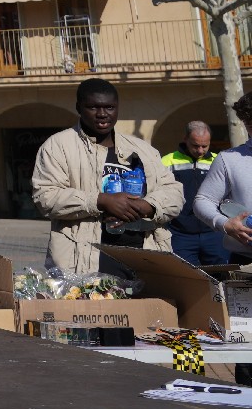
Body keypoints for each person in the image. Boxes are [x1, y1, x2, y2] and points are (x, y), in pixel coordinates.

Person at [31, 78, 181, 278]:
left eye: (109, 107)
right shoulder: (58, 146)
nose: (102, 114)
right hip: (84, 263)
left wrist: (147, 206)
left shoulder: (142, 149)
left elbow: (174, 193)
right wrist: (101, 201)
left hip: (144, 260)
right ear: (78, 108)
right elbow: (45, 197)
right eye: (93, 107)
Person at [194, 96, 252, 257]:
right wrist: (225, 224)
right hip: (245, 260)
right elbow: (203, 200)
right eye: (249, 124)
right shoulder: (228, 159)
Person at [167, 122, 229, 267]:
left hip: (214, 232)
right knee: (185, 275)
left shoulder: (219, 161)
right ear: (185, 139)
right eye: (195, 145)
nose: (200, 150)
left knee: (221, 274)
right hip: (180, 234)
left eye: (205, 146)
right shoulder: (166, 162)